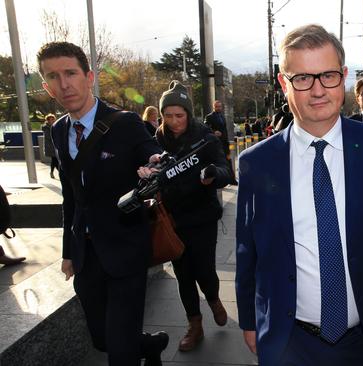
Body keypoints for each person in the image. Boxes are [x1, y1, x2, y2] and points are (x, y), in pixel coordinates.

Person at [235, 24, 363, 366]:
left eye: (328, 76)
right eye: (302, 78)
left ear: (344, 76)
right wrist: (248, 320)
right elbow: (248, 251)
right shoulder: (256, 163)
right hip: (289, 342)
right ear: (283, 83)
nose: (318, 90)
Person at [38, 41, 168, 366]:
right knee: (101, 338)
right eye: (53, 76)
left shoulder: (124, 123)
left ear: (89, 76)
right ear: (45, 86)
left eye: (70, 73)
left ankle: (135, 349)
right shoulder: (58, 130)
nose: (64, 83)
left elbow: (152, 153)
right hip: (87, 255)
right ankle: (148, 346)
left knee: (121, 354)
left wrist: (154, 165)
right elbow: (71, 195)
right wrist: (68, 251)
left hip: (126, 250)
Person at [144, 81, 231, 352]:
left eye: (179, 115)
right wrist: (146, 172)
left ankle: (214, 298)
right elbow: (142, 169)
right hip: (172, 219)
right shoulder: (155, 140)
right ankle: (195, 324)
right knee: (183, 274)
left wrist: (213, 175)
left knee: (204, 270)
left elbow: (225, 170)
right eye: (167, 115)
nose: (173, 121)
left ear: (188, 114)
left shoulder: (204, 137)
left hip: (202, 217)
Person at [204, 100, 237, 185]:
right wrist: (214, 132)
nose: (218, 108)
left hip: (224, 142)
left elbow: (224, 129)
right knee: (219, 162)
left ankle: (232, 179)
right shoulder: (209, 117)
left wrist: (227, 141)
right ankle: (220, 180)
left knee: (229, 161)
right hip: (216, 144)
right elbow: (205, 128)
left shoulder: (222, 116)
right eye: (217, 106)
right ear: (213, 107)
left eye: (220, 106)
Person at [42, 113, 59, 178]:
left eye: (53, 119)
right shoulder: (46, 128)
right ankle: (60, 172)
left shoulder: (56, 126)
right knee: (55, 159)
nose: (52, 121)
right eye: (50, 119)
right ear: (48, 120)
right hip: (50, 146)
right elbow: (49, 137)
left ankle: (52, 172)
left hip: (56, 145)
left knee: (54, 160)